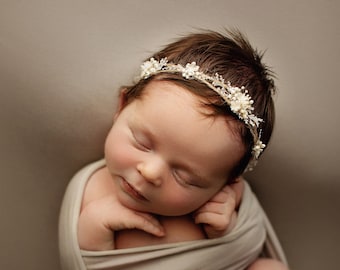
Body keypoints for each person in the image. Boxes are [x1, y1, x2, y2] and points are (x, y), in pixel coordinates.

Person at [59, 29, 288, 270]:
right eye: (142, 143)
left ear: (226, 182)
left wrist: (226, 229)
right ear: (123, 105)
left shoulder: (225, 196)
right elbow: (78, 262)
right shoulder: (91, 189)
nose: (150, 172)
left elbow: (247, 242)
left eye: (185, 177)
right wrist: (93, 230)